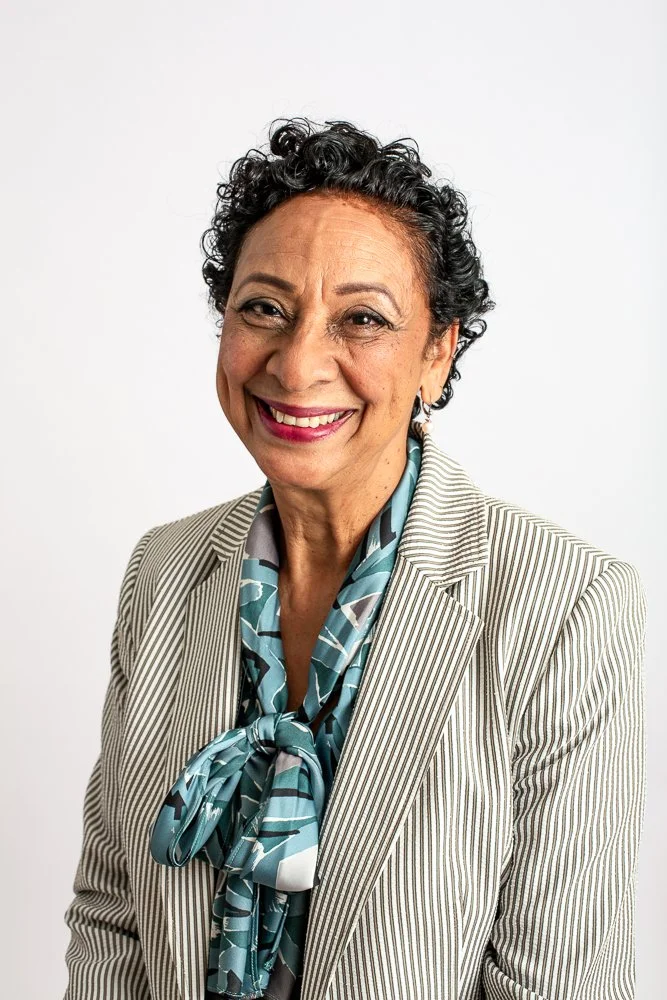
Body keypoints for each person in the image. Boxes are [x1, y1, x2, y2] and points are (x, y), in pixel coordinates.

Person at [63, 118, 646, 1000]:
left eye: (362, 319)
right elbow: (112, 917)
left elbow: (560, 982)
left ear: (437, 352)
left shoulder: (565, 604)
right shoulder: (166, 570)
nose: (297, 366)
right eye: (264, 307)